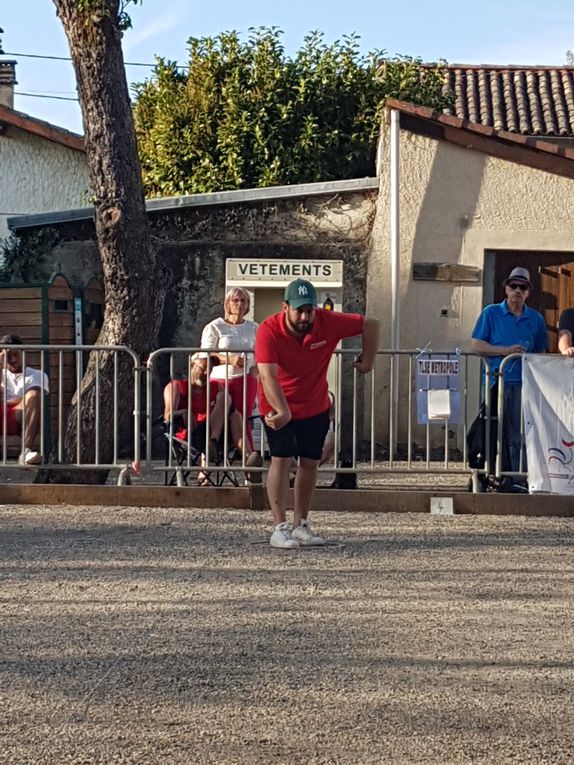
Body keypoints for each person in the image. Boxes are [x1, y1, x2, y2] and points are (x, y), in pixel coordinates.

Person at [255, 278, 380, 549]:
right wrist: (283, 410)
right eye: (299, 310)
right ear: (285, 307)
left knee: (310, 462)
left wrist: (368, 360)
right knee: (281, 458)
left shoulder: (327, 321)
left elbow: (371, 324)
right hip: (277, 404)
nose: (304, 316)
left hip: (314, 403)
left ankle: (301, 523)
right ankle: (279, 526)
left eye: (309, 310)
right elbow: (267, 376)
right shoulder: (268, 330)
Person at [471, 266, 547, 478]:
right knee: (490, 430)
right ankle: (487, 472)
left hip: (523, 384)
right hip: (496, 382)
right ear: (506, 289)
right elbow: (476, 345)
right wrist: (505, 351)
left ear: (528, 292)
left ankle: (513, 476)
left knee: (516, 433)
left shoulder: (536, 319)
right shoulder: (491, 312)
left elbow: (540, 351)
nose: (517, 291)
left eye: (522, 287)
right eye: (513, 286)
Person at [194, 287, 262, 476]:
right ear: (227, 303)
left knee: (241, 419)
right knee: (215, 416)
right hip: (219, 378)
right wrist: (228, 359)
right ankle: (205, 467)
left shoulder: (254, 327)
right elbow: (205, 353)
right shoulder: (215, 326)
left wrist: (255, 375)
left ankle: (250, 470)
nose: (239, 304)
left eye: (243, 301)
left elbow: (259, 353)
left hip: (244, 378)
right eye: (236, 300)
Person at [163, 355, 245, 484]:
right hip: (192, 432)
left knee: (235, 415)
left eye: (210, 370)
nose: (206, 373)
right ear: (191, 367)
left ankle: (215, 444)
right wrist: (182, 412)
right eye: (203, 368)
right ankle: (251, 465)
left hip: (216, 431)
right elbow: (167, 415)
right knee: (234, 416)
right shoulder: (177, 386)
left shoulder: (216, 386)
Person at [0, 334, 49, 465]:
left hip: (18, 416)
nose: (12, 360)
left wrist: (11, 401)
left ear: (23, 354)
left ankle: (25, 451)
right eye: (7, 356)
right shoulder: (1, 373)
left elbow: (33, 399)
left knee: (33, 395)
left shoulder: (37, 375)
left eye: (16, 355)